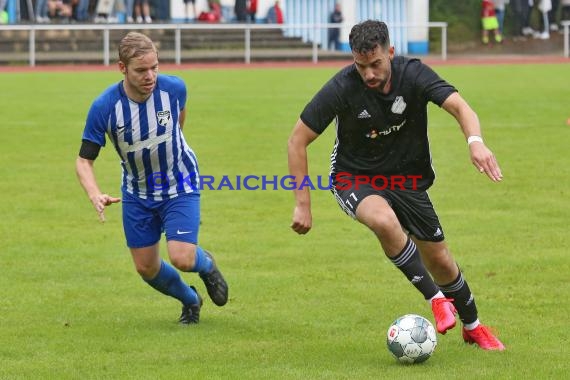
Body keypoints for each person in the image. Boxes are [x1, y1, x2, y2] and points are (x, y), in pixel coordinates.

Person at [287, 20, 505, 351]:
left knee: (441, 260)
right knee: (383, 220)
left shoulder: (414, 74)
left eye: (376, 64)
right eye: (361, 66)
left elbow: (460, 106)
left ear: (390, 52)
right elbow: (297, 140)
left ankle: (473, 326)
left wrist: (475, 142)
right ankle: (435, 299)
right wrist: (303, 204)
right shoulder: (343, 87)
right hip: (354, 176)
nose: (369, 74)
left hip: (406, 177)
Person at [75, 32, 229, 325]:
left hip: (179, 183)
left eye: (155, 67)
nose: (151, 76)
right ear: (122, 68)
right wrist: (94, 193)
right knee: (146, 268)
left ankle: (206, 264)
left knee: (182, 257)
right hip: (137, 192)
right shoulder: (104, 107)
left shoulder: (174, 88)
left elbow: (179, 125)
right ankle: (190, 299)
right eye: (141, 70)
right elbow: (84, 160)